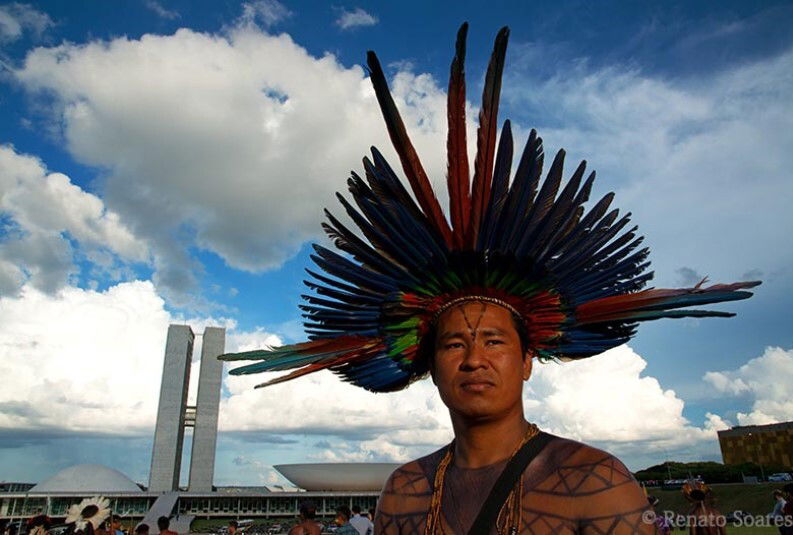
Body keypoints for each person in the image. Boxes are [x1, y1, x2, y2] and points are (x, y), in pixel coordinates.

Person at [219, 23, 759, 535]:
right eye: (453, 343)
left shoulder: (597, 482)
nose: (474, 358)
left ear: (527, 361)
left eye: (495, 341)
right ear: (430, 366)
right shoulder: (403, 493)